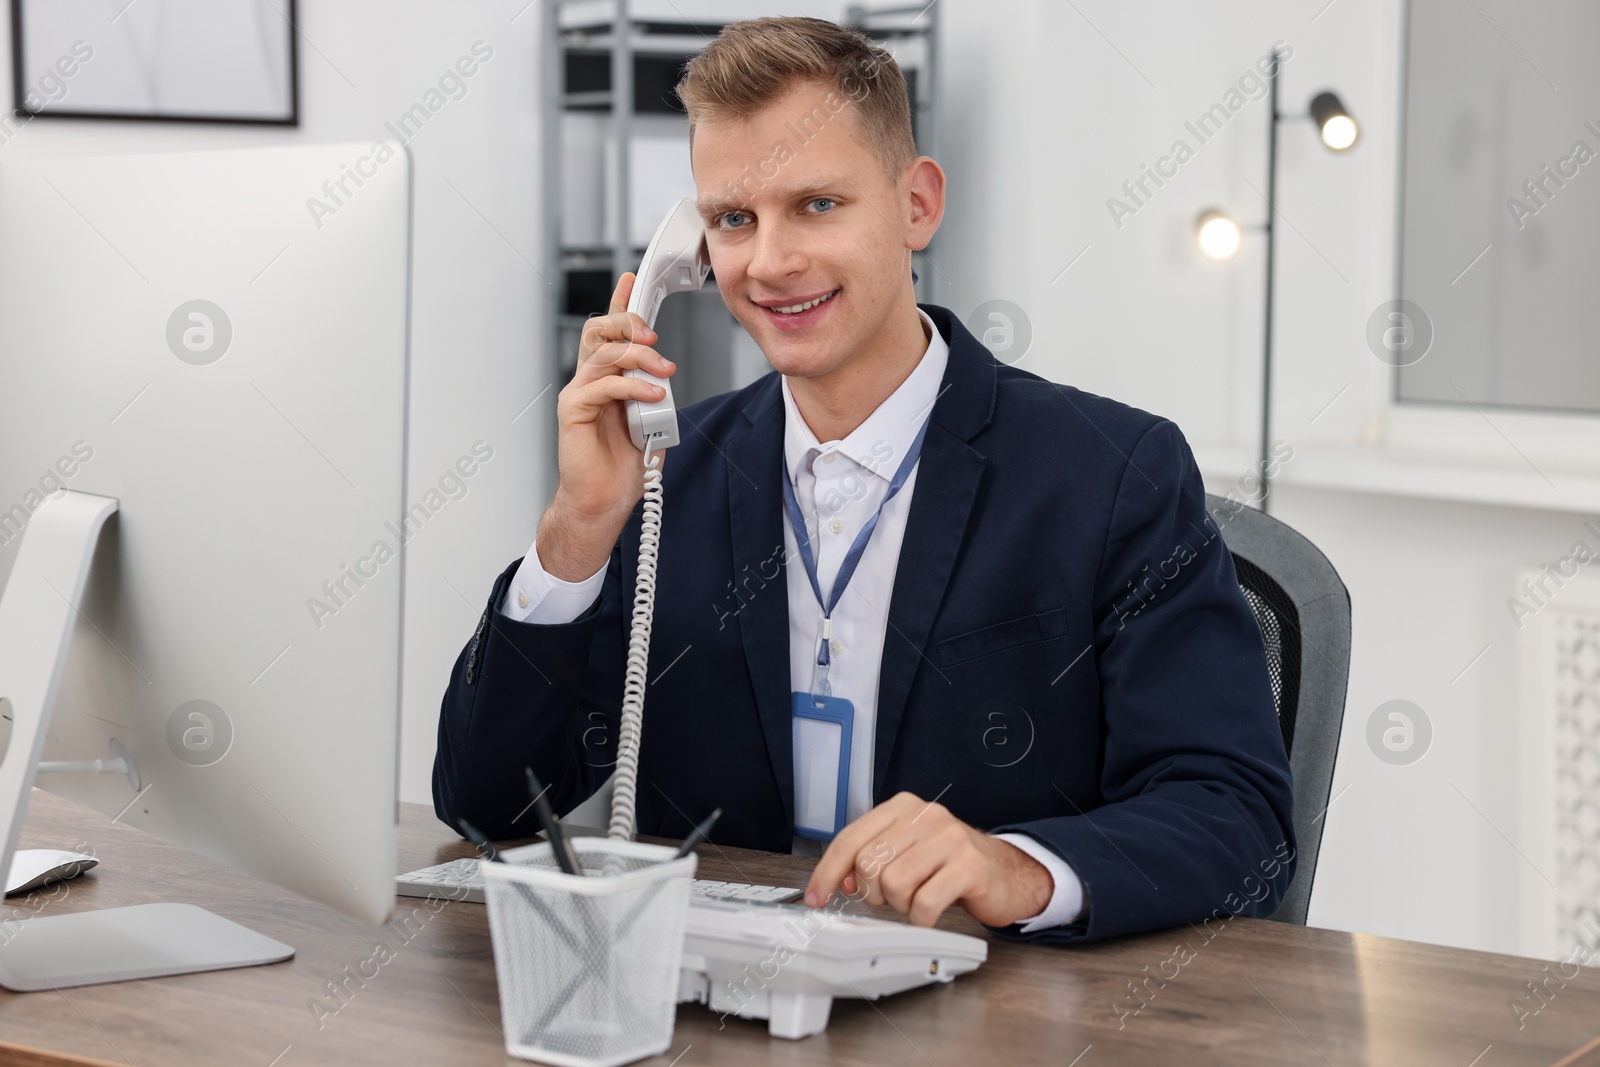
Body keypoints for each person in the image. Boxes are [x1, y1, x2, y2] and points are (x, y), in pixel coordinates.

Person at [433, 16, 1295, 943]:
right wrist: (575, 528)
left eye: (817, 205)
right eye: (733, 219)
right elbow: (487, 806)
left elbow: (1238, 819)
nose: (770, 262)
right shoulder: (659, 479)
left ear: (916, 204)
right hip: (714, 1017)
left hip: (988, 1015)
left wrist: (1021, 867)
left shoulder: (1113, 473)